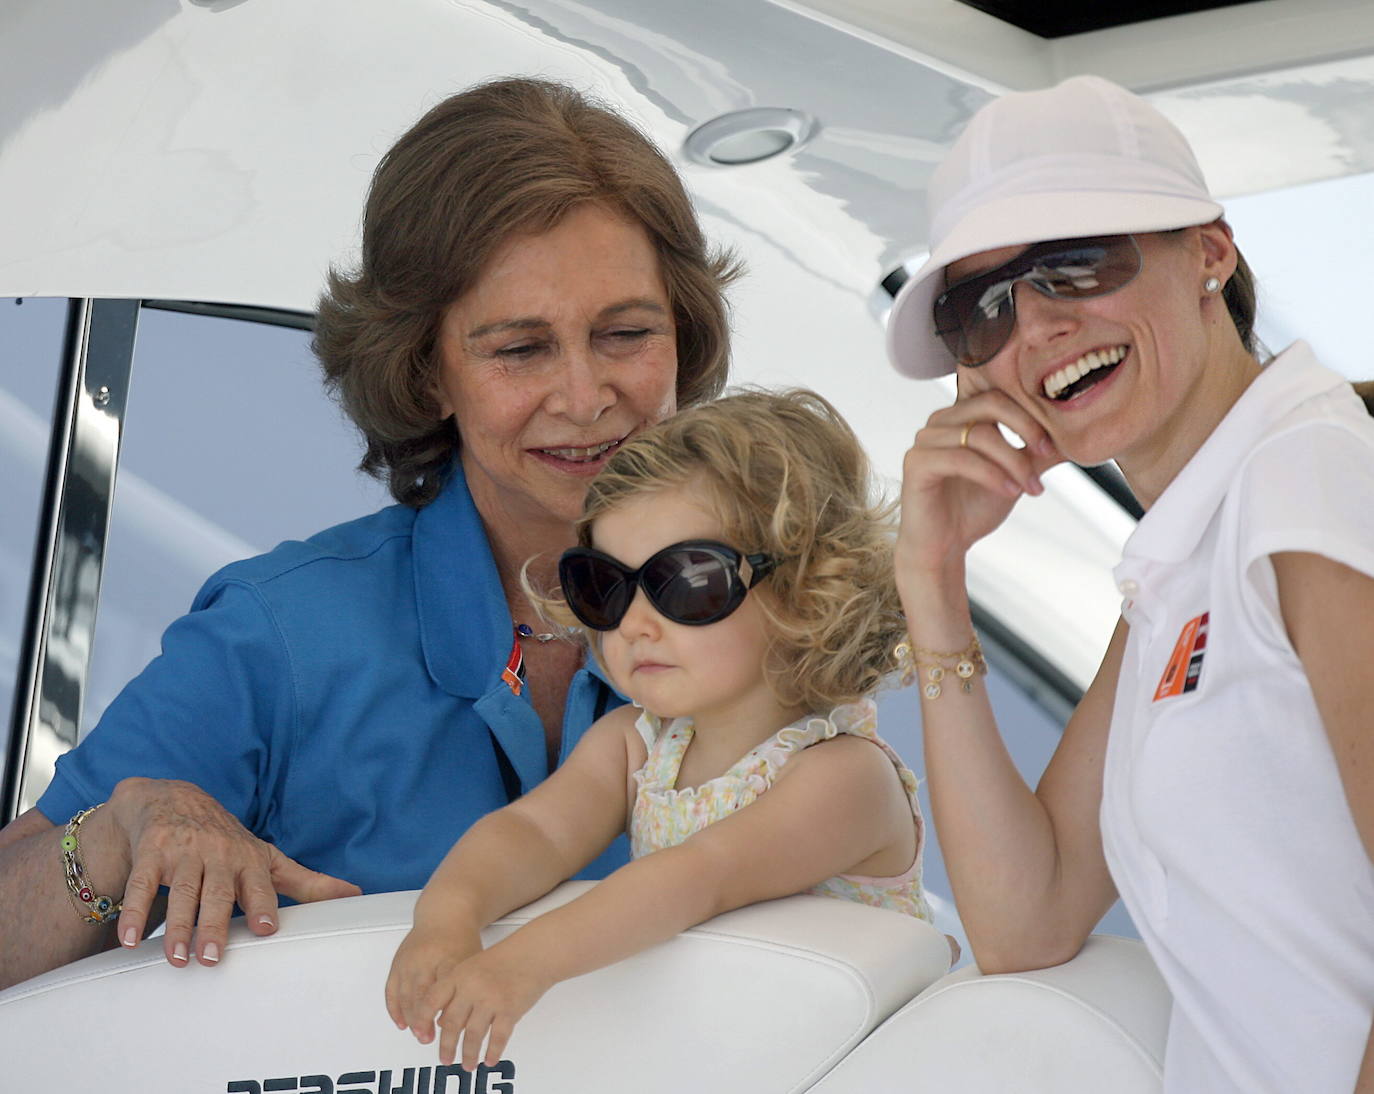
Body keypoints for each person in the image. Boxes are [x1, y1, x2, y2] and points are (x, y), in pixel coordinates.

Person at [0, 77, 739, 990]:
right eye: (520, 348)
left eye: (624, 333)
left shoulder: (774, 610)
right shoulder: (280, 637)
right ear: (426, 371)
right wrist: (117, 834)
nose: (585, 397)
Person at [886, 74, 1374, 1092]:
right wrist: (931, 582)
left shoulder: (1305, 476)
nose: (1038, 327)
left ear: (1209, 249)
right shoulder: (1181, 556)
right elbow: (1029, 915)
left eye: (1074, 263)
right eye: (984, 310)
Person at [384, 389, 935, 1071]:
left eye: (688, 581)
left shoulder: (845, 775)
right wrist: (448, 920)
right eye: (606, 586)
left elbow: (701, 877)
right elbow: (532, 834)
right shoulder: (636, 744)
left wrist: (521, 965)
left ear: (805, 585)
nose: (636, 623)